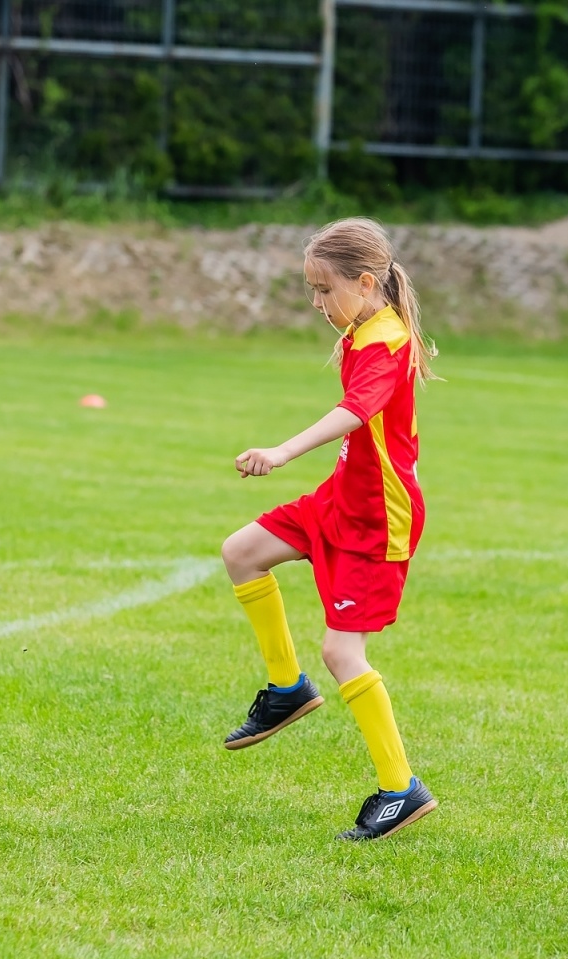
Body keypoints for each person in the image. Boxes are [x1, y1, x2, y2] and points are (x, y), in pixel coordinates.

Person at [220, 217, 438, 841]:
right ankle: (286, 689)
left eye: (324, 289)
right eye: (311, 290)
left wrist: (282, 452)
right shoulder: (362, 328)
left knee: (343, 651)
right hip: (342, 499)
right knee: (242, 552)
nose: (317, 303)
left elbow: (354, 412)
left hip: (378, 518)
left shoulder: (384, 340)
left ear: (366, 284)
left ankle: (401, 789)